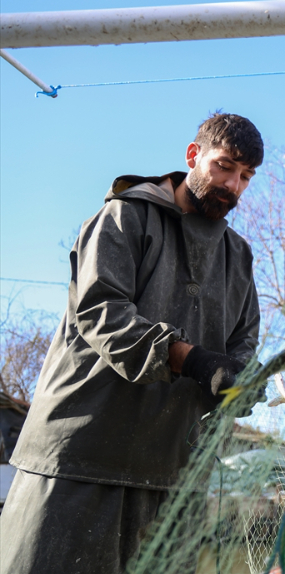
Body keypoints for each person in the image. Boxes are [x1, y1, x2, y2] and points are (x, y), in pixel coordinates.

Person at [0, 113, 265, 574]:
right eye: (224, 167)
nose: (233, 185)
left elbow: (243, 345)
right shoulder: (124, 216)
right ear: (193, 155)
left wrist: (239, 381)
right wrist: (193, 360)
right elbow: (101, 311)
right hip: (76, 460)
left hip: (175, 477)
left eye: (245, 176)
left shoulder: (238, 256)